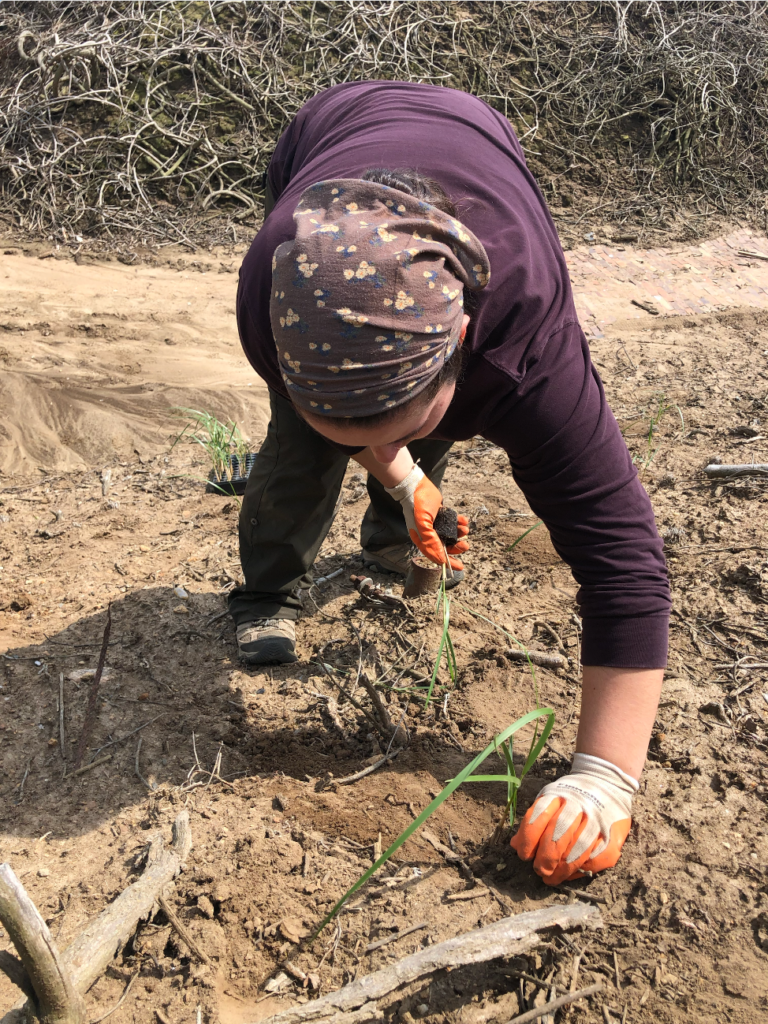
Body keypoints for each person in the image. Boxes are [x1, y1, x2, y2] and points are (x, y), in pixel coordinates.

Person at [231, 81, 670, 887]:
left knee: (403, 434)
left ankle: (393, 538)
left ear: (463, 338)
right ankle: (274, 587)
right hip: (328, 131)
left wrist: (606, 776)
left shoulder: (528, 355)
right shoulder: (272, 297)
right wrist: (402, 477)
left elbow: (625, 567)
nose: (385, 449)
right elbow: (353, 411)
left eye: (402, 427)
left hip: (476, 136)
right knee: (301, 448)